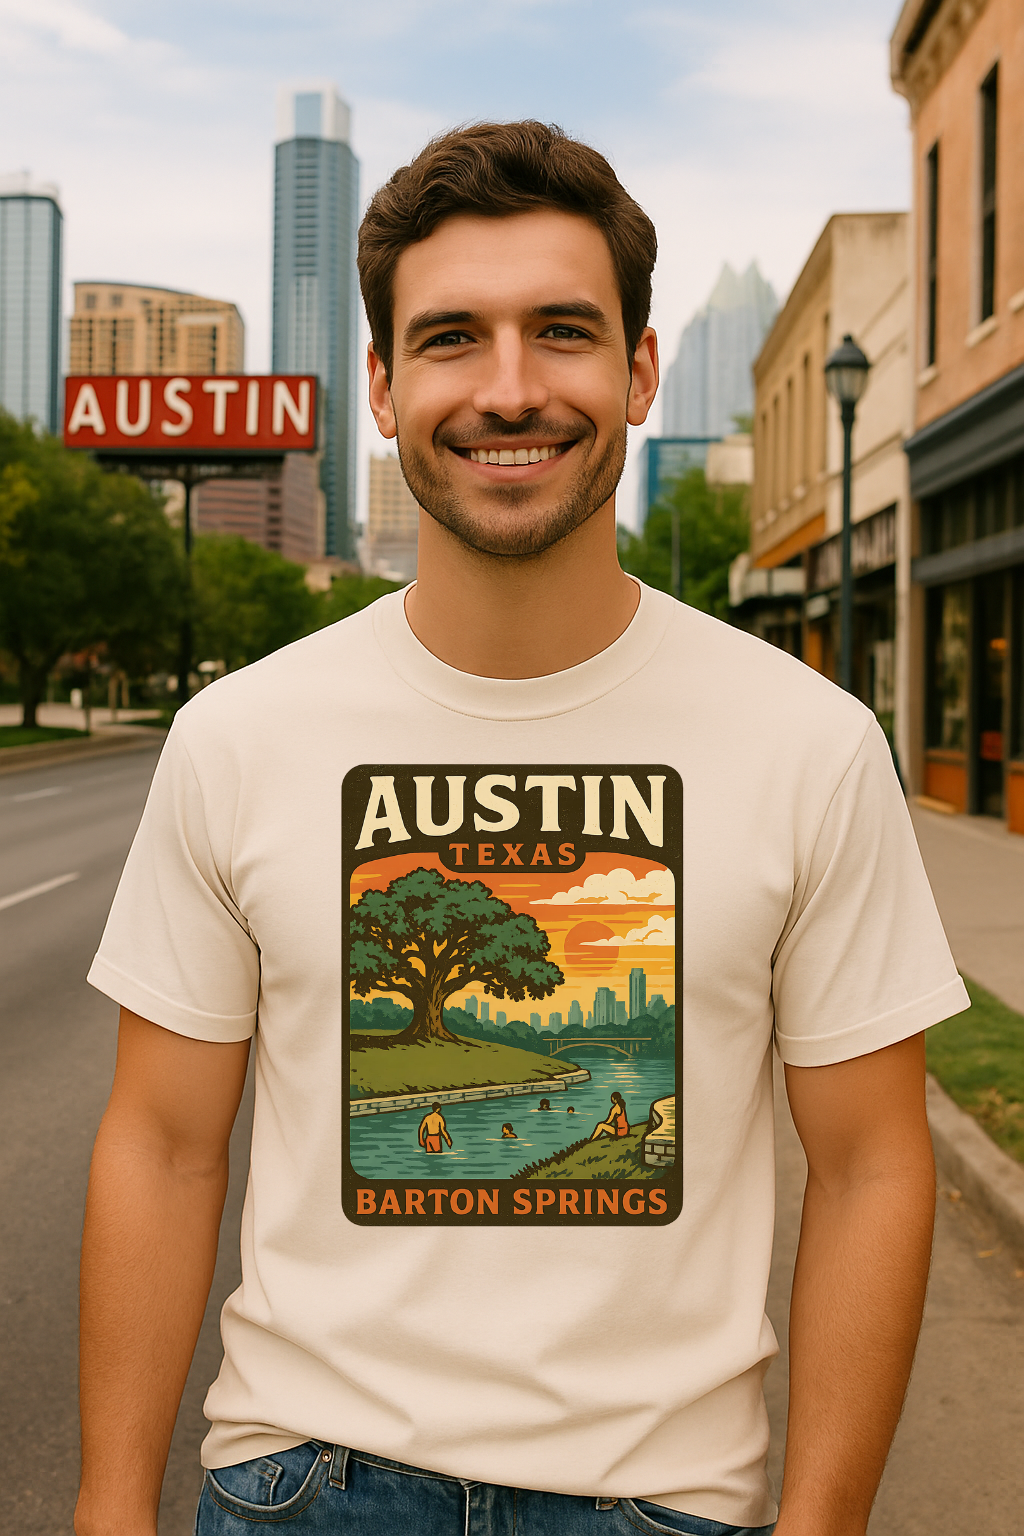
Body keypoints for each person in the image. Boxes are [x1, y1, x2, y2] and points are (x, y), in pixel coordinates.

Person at [76, 121, 969, 1536]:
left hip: (661, 1502)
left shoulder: (809, 744)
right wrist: (109, 1509)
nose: (508, 389)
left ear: (639, 372)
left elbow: (870, 1163)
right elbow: (163, 1144)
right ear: (381, 385)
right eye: (449, 339)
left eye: (561, 331)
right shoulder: (238, 736)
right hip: (305, 1485)